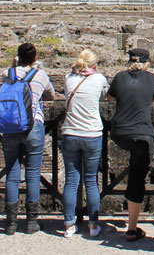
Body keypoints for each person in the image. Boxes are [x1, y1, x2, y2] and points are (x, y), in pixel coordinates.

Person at [108, 48, 154, 243]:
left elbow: (111, 98)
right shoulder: (151, 78)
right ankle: (131, 228)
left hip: (119, 133)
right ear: (147, 63)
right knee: (136, 178)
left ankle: (87, 219)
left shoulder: (119, 77)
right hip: (141, 135)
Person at [0, 43, 54, 235]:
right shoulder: (40, 75)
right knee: (32, 174)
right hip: (33, 126)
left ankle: (11, 224)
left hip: (10, 127)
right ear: (35, 57)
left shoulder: (7, 73)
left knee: (12, 175)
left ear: (17, 56)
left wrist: (13, 65)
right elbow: (51, 95)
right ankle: (31, 223)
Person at [60, 49, 108, 238]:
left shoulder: (68, 78)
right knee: (91, 180)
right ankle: (93, 225)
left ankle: (69, 225)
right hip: (92, 134)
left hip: (70, 132)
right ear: (95, 65)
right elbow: (104, 97)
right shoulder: (100, 79)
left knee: (71, 181)